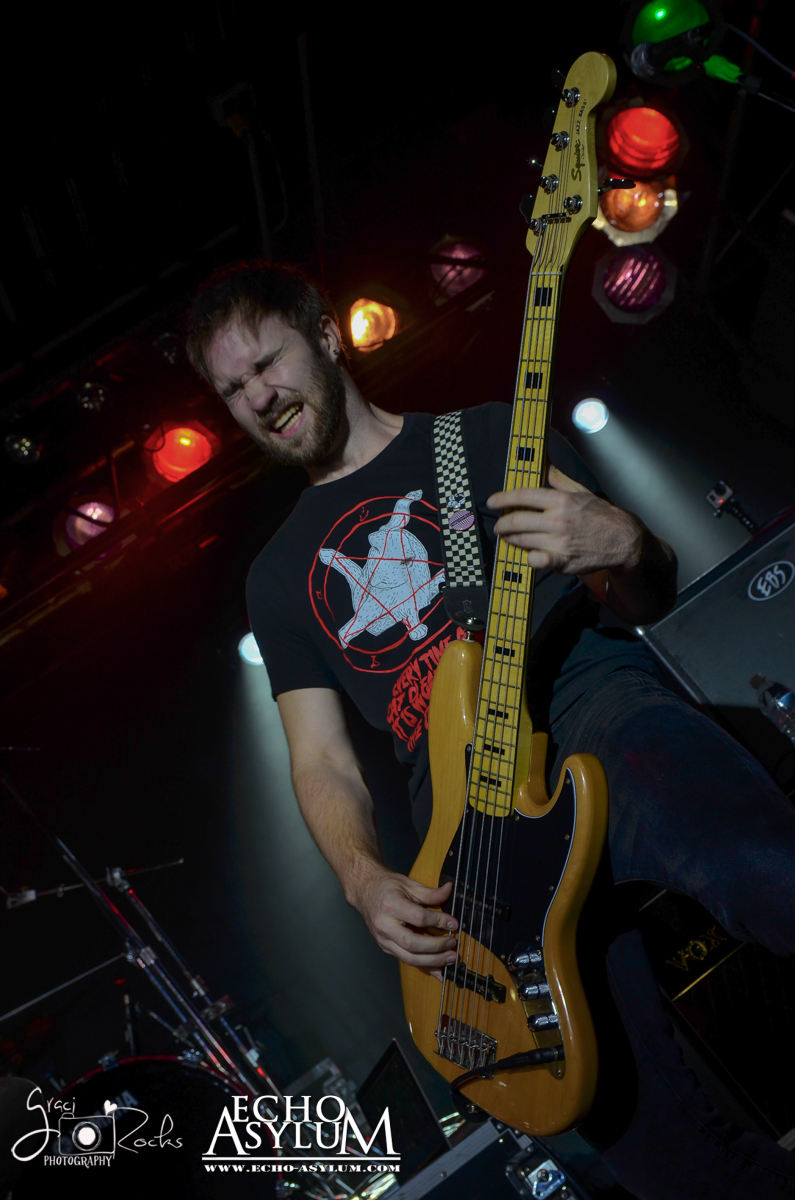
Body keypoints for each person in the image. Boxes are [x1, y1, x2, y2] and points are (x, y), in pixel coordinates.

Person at [186, 261, 795, 1198]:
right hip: (469, 840)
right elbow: (319, 761)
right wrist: (362, 879)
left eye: (267, 363)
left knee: (770, 876)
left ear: (326, 335)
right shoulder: (276, 577)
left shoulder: (482, 437)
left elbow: (644, 593)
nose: (259, 398)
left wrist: (625, 542)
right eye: (233, 390)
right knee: (655, 1151)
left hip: (589, 713)